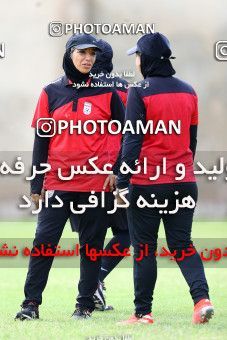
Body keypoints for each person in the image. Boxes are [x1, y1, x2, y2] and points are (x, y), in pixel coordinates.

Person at [15, 33, 125, 320]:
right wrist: (36, 184)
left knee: (90, 248)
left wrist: (117, 170)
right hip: (57, 184)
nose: (88, 58)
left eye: (92, 54)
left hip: (94, 186)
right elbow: (41, 140)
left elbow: (129, 134)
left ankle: (84, 306)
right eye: (82, 53)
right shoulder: (50, 92)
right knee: (44, 242)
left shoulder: (107, 93)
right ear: (69, 55)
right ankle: (30, 304)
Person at [116, 32, 214, 325]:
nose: (135, 62)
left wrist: (122, 180)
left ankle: (143, 313)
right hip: (184, 180)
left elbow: (132, 139)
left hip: (148, 182)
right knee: (182, 244)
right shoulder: (189, 90)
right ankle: (202, 300)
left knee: (144, 248)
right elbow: (191, 140)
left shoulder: (139, 90)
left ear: (146, 59)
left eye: (137, 56)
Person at [70, 38, 130, 311]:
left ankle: (92, 286)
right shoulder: (124, 89)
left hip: (76, 175)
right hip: (112, 176)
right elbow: (132, 133)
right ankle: (95, 282)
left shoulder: (70, 86)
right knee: (126, 232)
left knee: (88, 239)